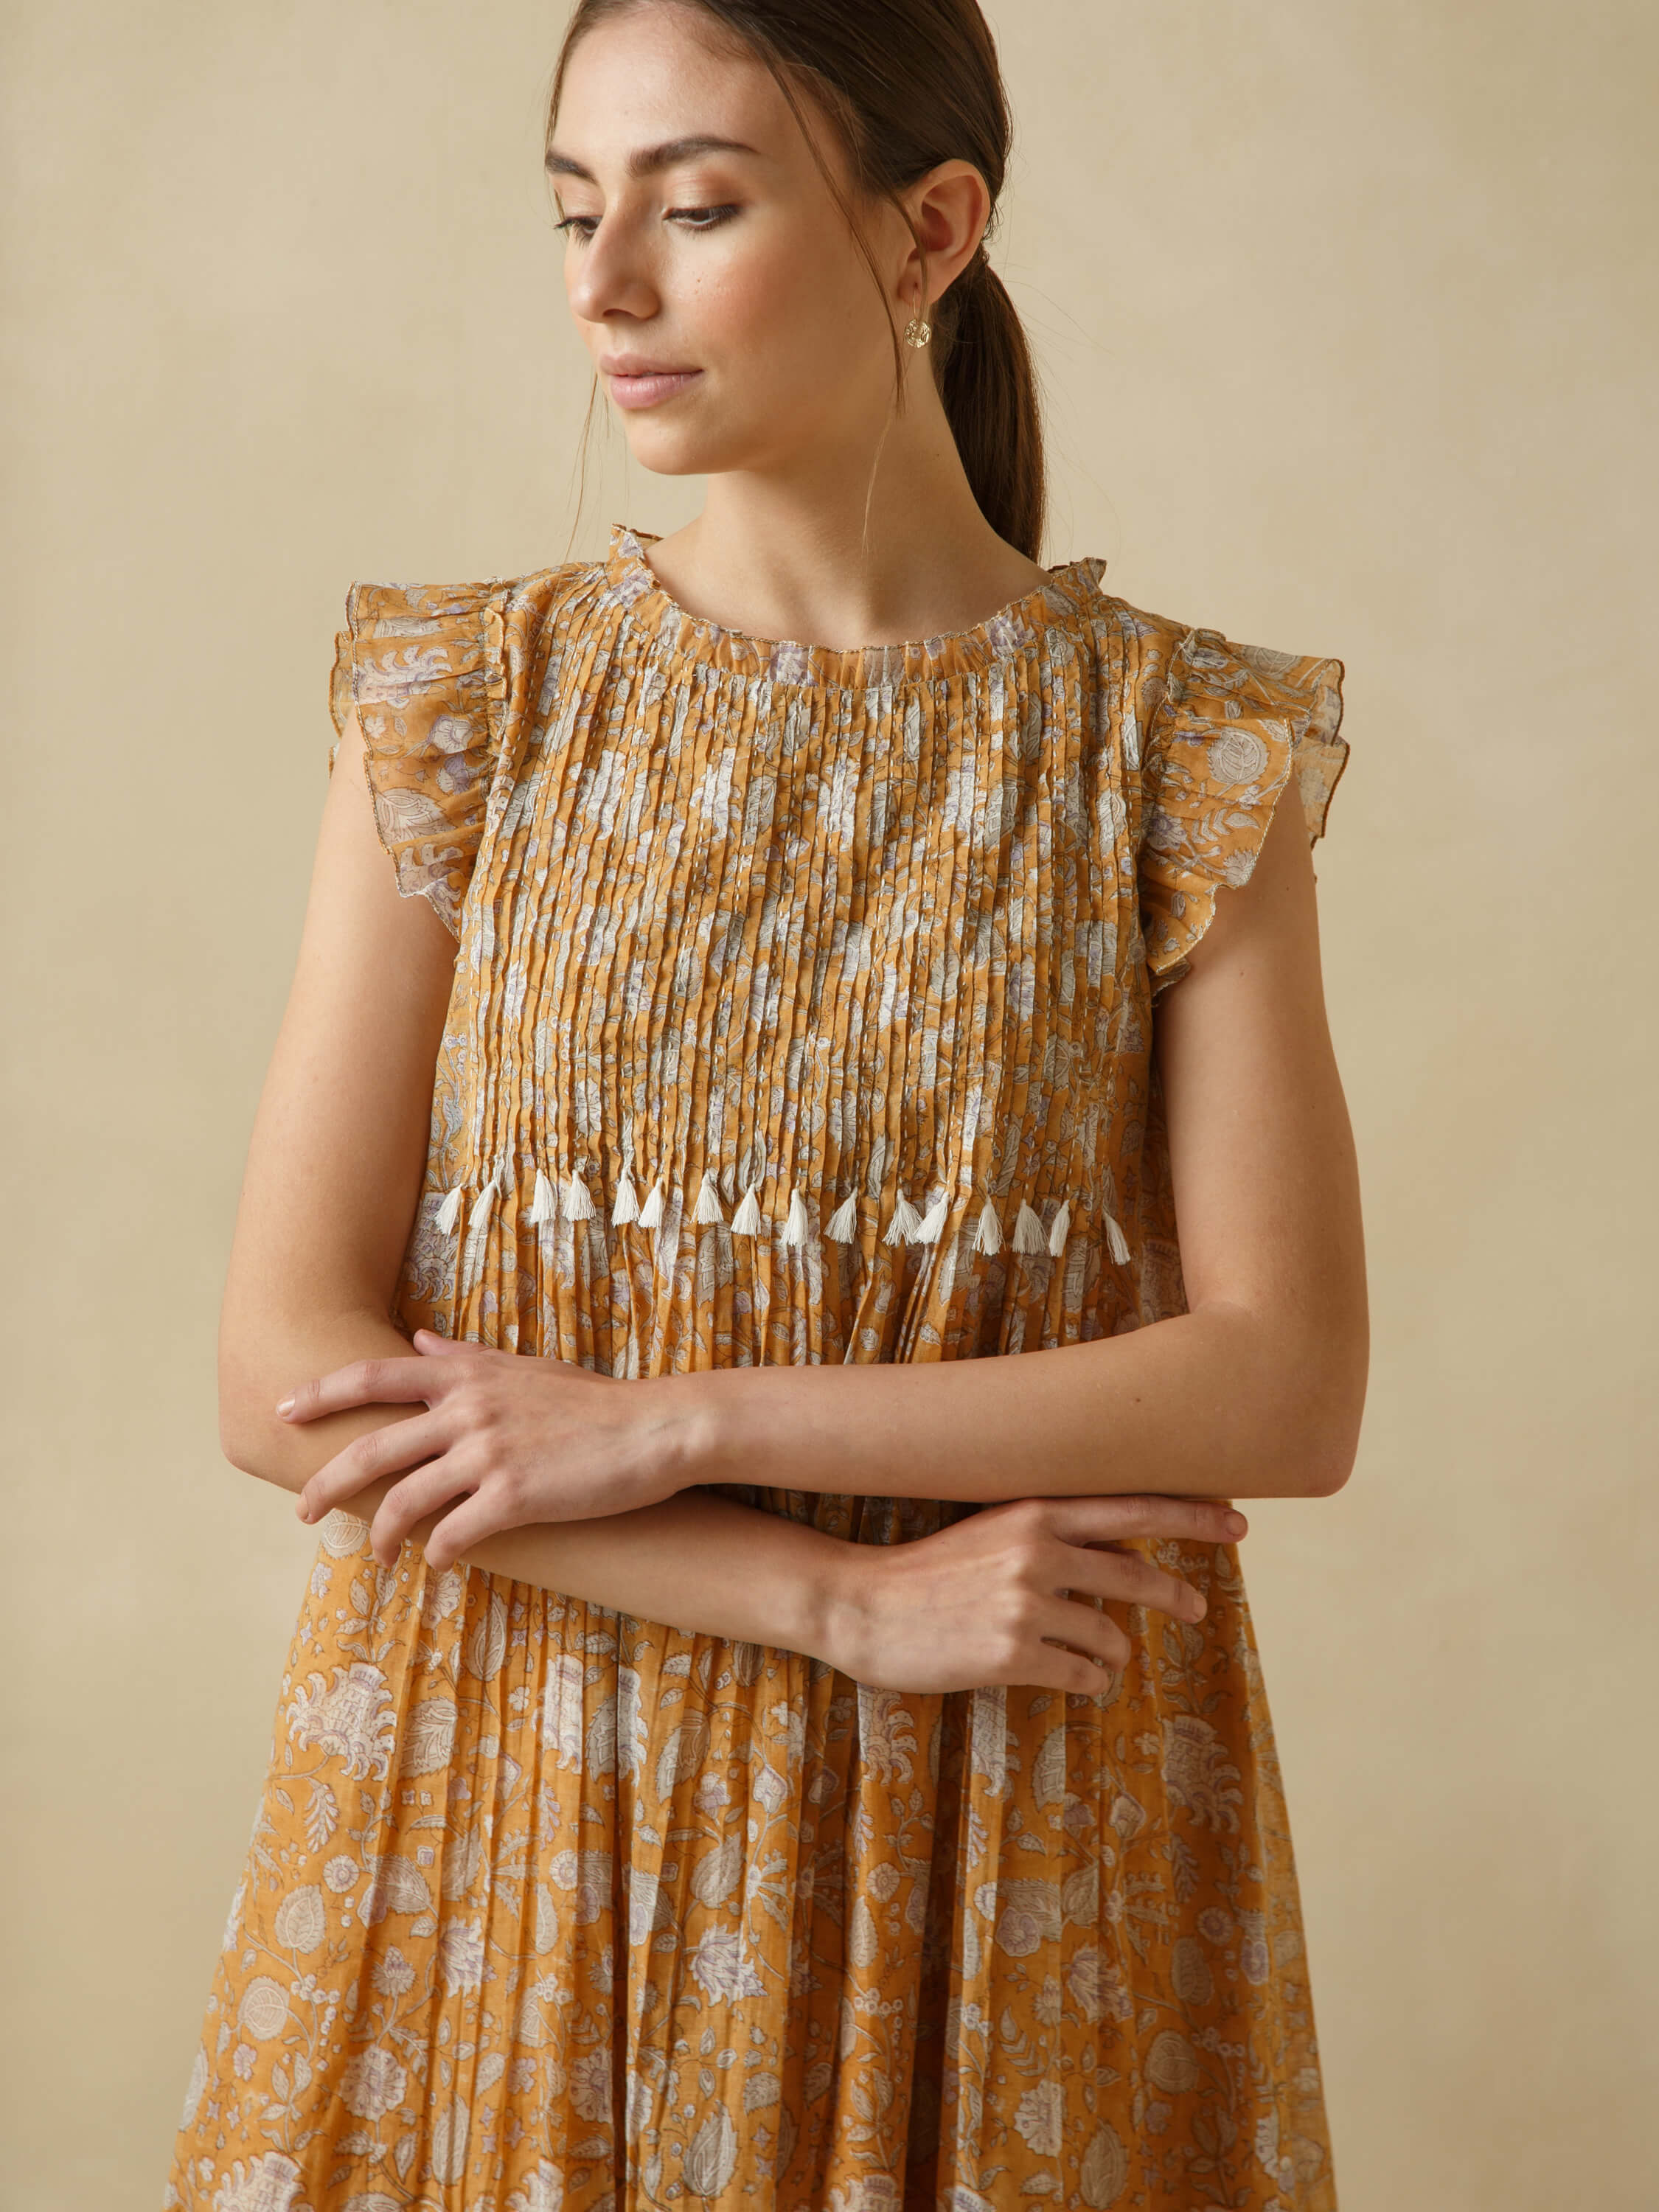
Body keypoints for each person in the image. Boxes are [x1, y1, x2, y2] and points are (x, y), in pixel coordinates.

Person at [165, 1, 1366, 2205]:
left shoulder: (1177, 757)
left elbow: (1281, 1385)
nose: (604, 286)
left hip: (1004, 1834)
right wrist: (826, 1600)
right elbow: (285, 1376)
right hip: (516, 1805)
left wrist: (679, 1418)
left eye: (695, 208)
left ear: (931, 234)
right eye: (574, 215)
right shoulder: (468, 711)